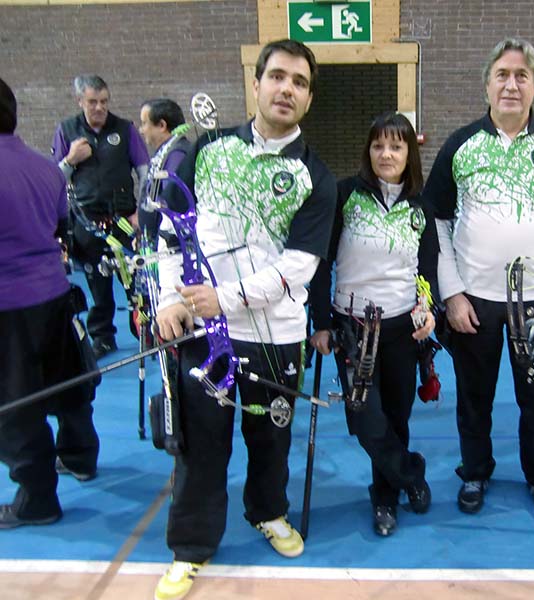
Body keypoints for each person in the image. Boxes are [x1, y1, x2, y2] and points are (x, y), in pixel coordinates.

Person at [153, 39, 336, 600]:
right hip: (205, 334)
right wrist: (169, 299)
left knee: (270, 438)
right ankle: (191, 546)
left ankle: (268, 512)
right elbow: (173, 231)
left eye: (299, 82)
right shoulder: (206, 151)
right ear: (255, 84)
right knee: (201, 444)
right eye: (277, 76)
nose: (286, 89)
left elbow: (298, 268)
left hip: (276, 337)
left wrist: (223, 298)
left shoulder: (316, 176)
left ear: (308, 98)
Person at [424, 38, 534, 518]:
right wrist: (452, 293)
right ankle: (475, 471)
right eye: (502, 75)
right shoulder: (461, 145)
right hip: (474, 302)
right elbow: (436, 222)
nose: (511, 84)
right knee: (474, 399)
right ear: (487, 84)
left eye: (522, 76)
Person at [308, 112, 437, 537]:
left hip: (402, 329)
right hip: (353, 329)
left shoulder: (421, 207)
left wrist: (428, 308)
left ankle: (385, 498)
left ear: (409, 153)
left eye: (396, 146)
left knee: (397, 417)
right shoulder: (345, 195)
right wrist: (321, 323)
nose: (386, 154)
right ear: (368, 150)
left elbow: (428, 269)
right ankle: (411, 474)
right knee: (365, 418)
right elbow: (321, 263)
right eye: (378, 145)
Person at [0, 77, 100, 528]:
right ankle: (80, 456)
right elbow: (60, 228)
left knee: (14, 406)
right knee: (67, 383)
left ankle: (37, 500)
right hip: (55, 297)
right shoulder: (45, 168)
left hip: (8, 309)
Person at [52, 74, 150, 358]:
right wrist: (70, 160)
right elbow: (54, 180)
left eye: (104, 101)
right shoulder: (66, 131)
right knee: (98, 285)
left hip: (124, 221)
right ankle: (103, 338)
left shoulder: (125, 129)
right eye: (93, 102)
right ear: (79, 101)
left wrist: (141, 213)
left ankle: (145, 333)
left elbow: (145, 172)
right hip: (87, 223)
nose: (99, 107)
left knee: (137, 282)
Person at [138, 98, 191, 248]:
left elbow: (173, 203)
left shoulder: (177, 155)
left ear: (162, 125)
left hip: (172, 246)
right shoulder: (167, 153)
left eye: (144, 123)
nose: (141, 130)